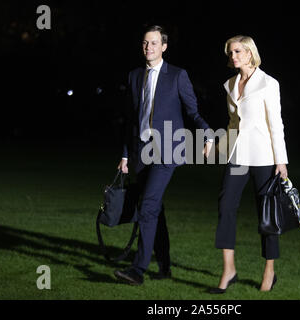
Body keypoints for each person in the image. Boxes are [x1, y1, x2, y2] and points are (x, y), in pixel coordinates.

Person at [114, 25, 213, 285]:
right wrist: (125, 155)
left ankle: (138, 270)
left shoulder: (178, 76)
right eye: (146, 43)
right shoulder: (134, 75)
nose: (149, 48)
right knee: (154, 208)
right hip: (141, 151)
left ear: (164, 46)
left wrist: (207, 133)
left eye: (154, 43)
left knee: (147, 206)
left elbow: (192, 112)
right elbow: (130, 120)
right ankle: (165, 265)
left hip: (168, 150)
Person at [210, 35, 289, 293]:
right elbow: (234, 124)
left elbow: (276, 125)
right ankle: (229, 269)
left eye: (237, 51)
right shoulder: (230, 84)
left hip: (264, 157)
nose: (233, 56)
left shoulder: (269, 84)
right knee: (225, 205)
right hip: (238, 156)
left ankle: (269, 270)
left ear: (250, 53)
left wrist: (281, 161)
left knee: (266, 215)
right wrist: (218, 146)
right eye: (230, 52)